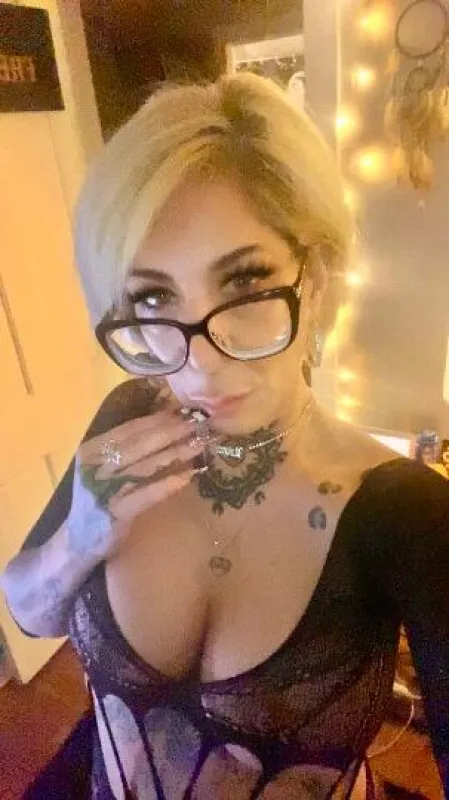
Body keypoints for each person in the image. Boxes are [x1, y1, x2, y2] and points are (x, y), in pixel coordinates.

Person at [1, 74, 448, 800]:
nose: (199, 362)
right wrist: (79, 536)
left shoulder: (405, 514)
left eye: (243, 286)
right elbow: (26, 611)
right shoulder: (130, 416)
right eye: (153, 297)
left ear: (315, 279)